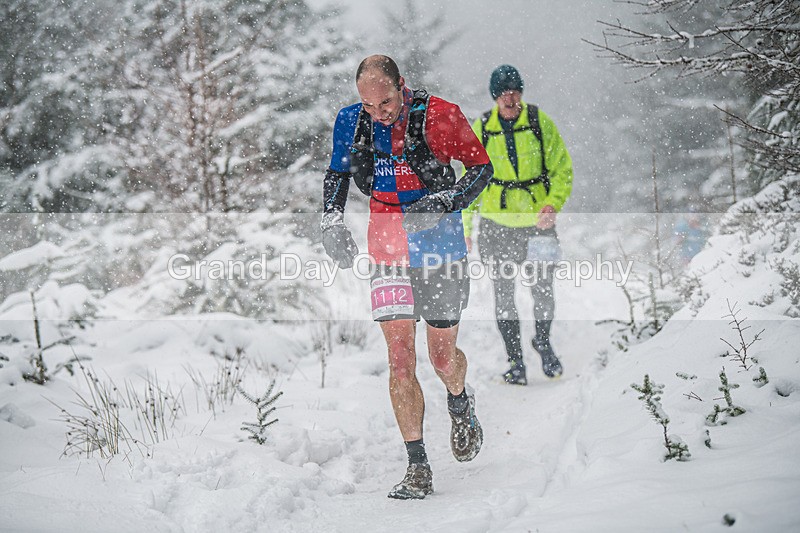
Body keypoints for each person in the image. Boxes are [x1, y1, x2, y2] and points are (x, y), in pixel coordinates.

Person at [321, 55, 493, 499]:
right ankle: (418, 465)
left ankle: (459, 400)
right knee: (400, 361)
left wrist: (445, 201)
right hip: (387, 250)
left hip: (441, 250)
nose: (378, 113)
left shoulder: (441, 115)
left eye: (385, 102)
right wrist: (331, 221)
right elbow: (337, 173)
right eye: (368, 104)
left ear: (402, 85)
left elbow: (481, 169)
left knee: (441, 358)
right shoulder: (352, 121)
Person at [463, 64, 573, 386]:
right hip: (496, 226)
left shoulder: (539, 122)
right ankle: (515, 362)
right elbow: (470, 182)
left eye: (514, 92)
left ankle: (543, 341)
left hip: (538, 224)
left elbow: (562, 169)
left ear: (521, 93)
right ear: (495, 97)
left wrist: (552, 204)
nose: (510, 99)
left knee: (543, 289)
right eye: (503, 94)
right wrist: (466, 229)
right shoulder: (482, 128)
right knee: (504, 295)